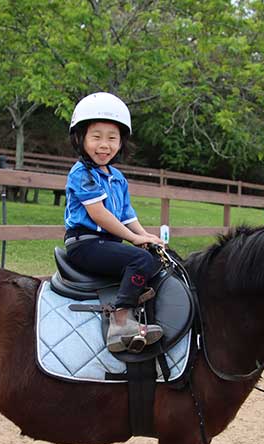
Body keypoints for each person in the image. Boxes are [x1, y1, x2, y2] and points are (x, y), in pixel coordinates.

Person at [63, 92, 166, 353]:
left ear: (121, 143)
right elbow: (98, 214)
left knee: (155, 257)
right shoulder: (81, 173)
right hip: (85, 243)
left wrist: (146, 236)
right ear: (80, 139)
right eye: (96, 137)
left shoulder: (117, 177)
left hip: (108, 241)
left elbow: (126, 214)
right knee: (140, 260)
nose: (104, 145)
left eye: (112, 138)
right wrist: (134, 240)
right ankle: (121, 322)